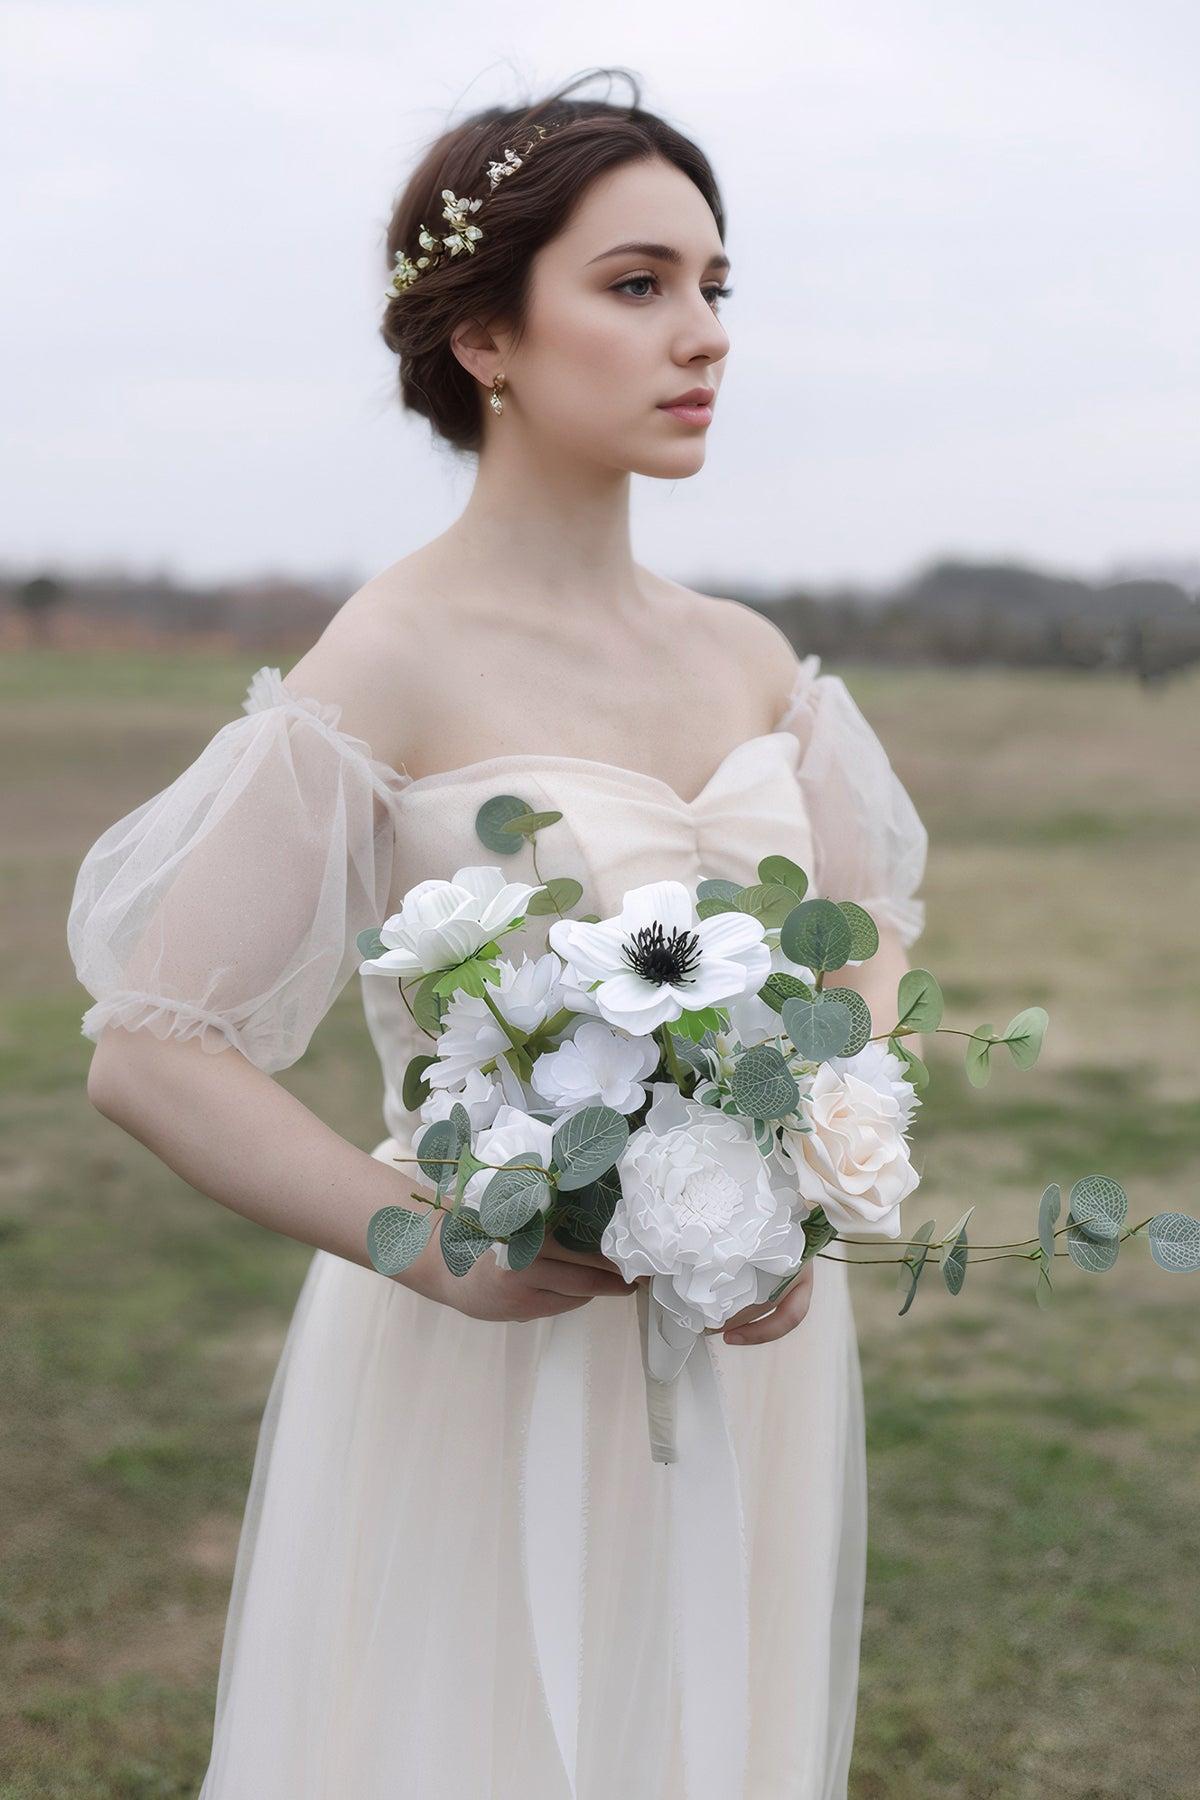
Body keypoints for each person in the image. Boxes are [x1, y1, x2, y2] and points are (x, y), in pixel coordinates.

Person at [67, 67, 928, 1800]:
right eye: (636, 285)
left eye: (713, 286)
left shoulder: (756, 659)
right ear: (485, 339)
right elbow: (150, 1052)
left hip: (747, 1354)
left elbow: (869, 955)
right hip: (490, 1365)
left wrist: (811, 1176)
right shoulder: (388, 658)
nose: (702, 333)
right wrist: (426, 1243)